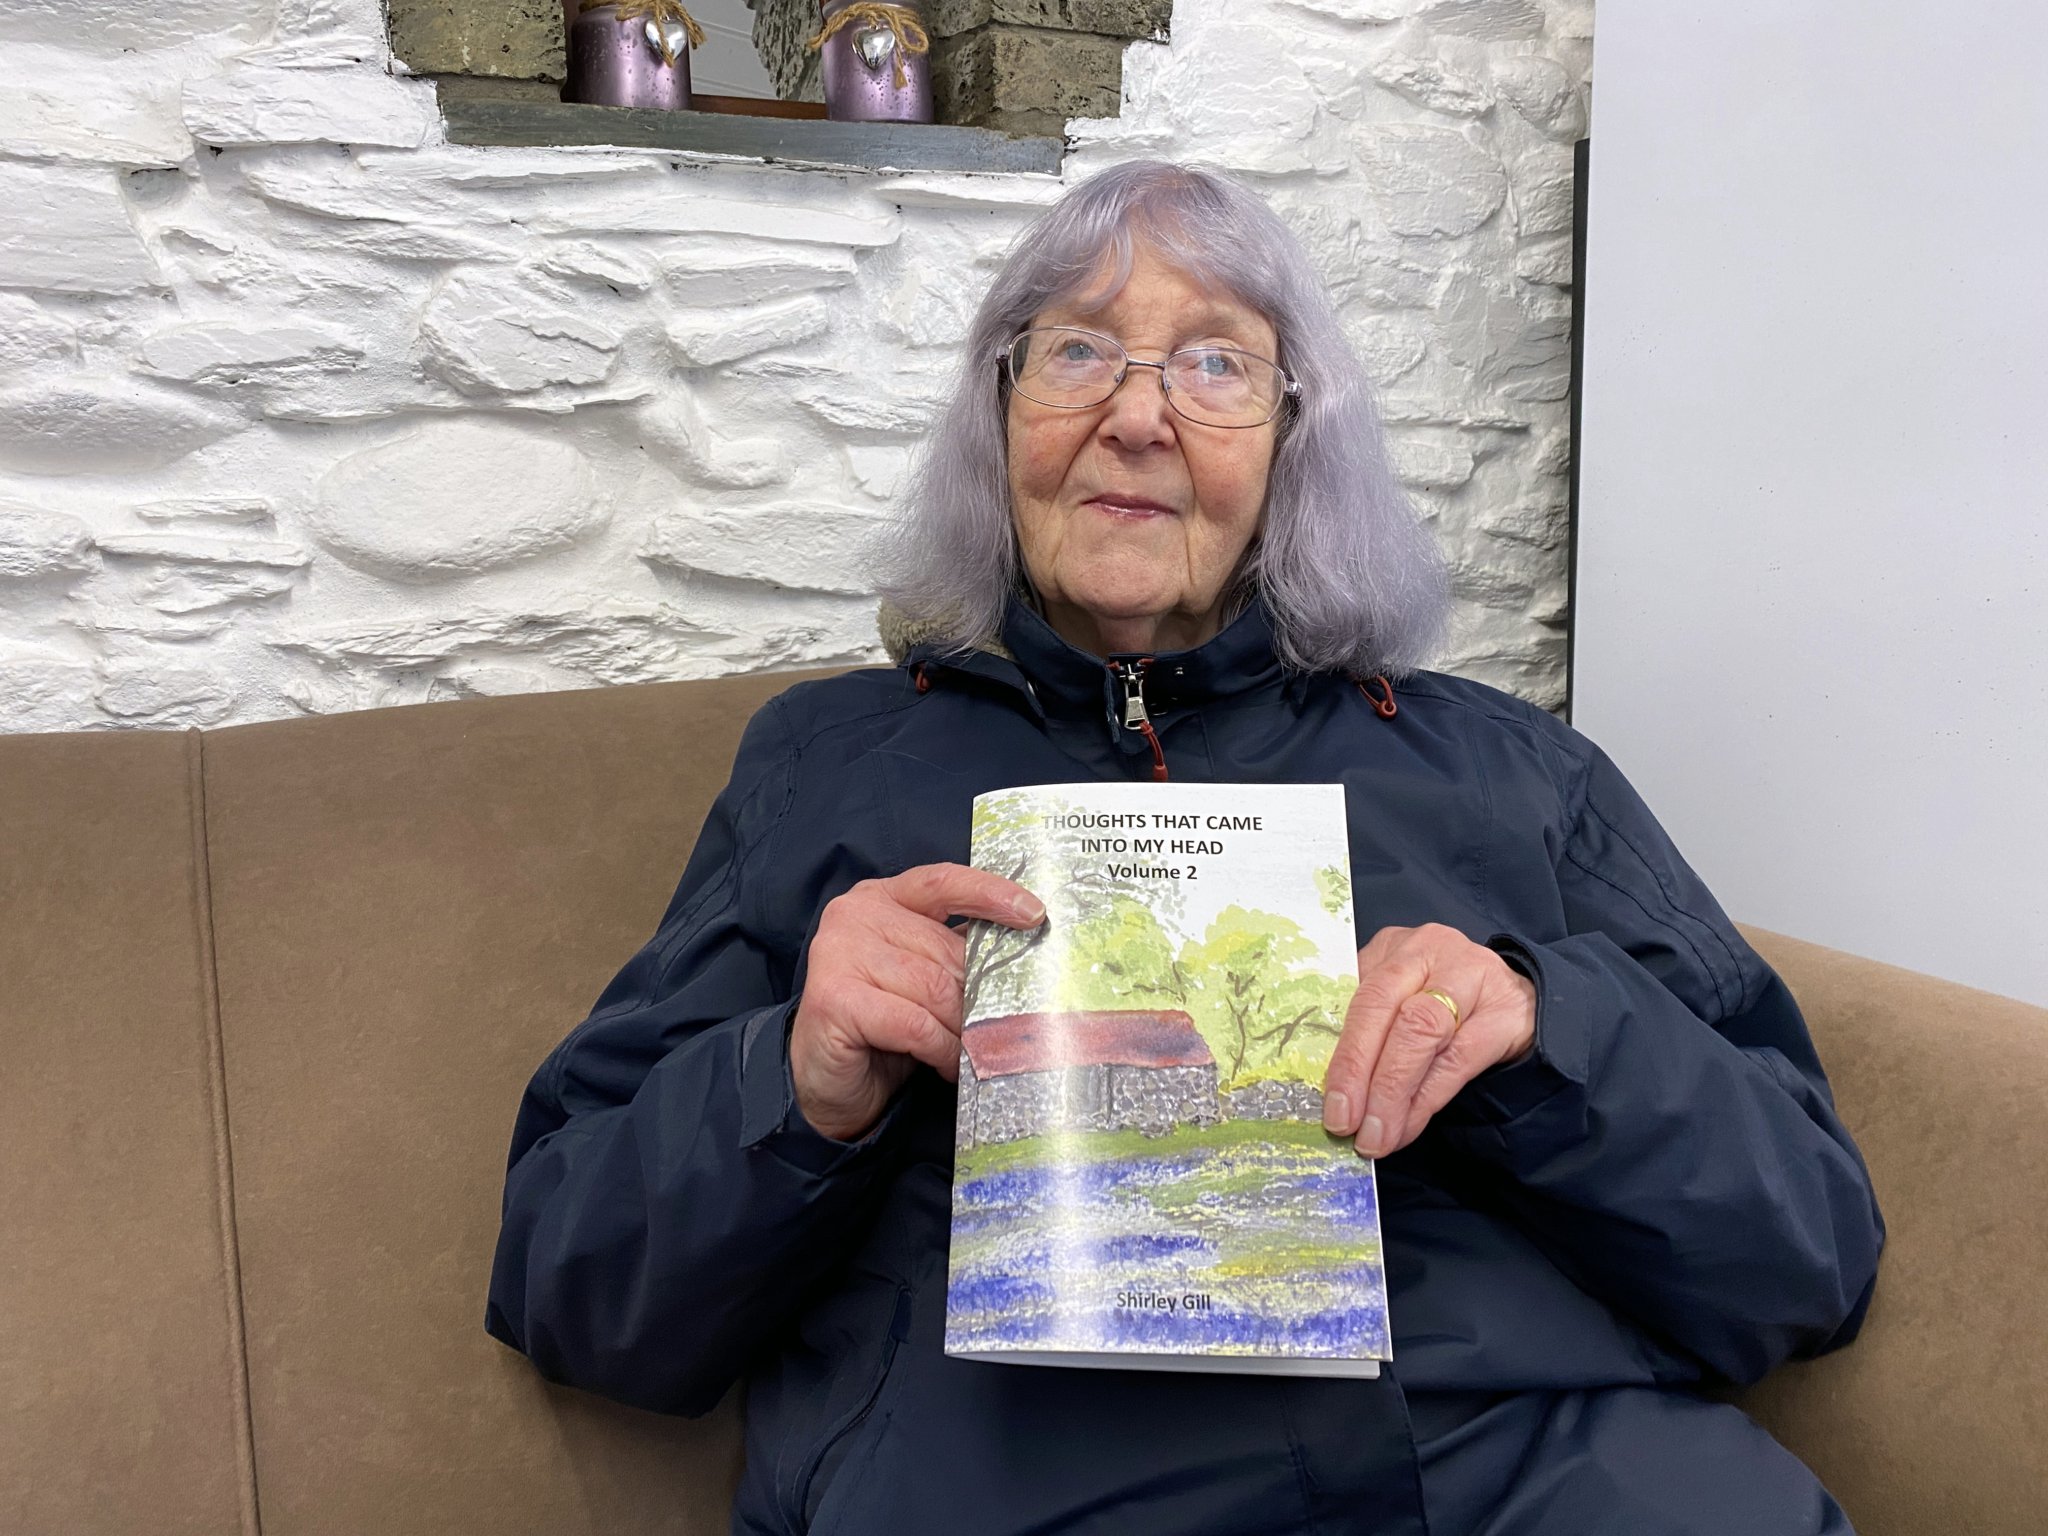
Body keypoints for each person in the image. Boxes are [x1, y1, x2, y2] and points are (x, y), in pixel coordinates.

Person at [485, 161, 1883, 1536]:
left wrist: (1546, 1031)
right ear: (999, 416)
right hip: (1030, 1486)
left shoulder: (1509, 767)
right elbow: (574, 1293)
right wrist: (795, 1083)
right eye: (1077, 352)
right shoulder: (827, 765)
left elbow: (1806, 1261)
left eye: (1216, 364)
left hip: (1530, 1472)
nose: (1139, 416)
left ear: (1294, 441)